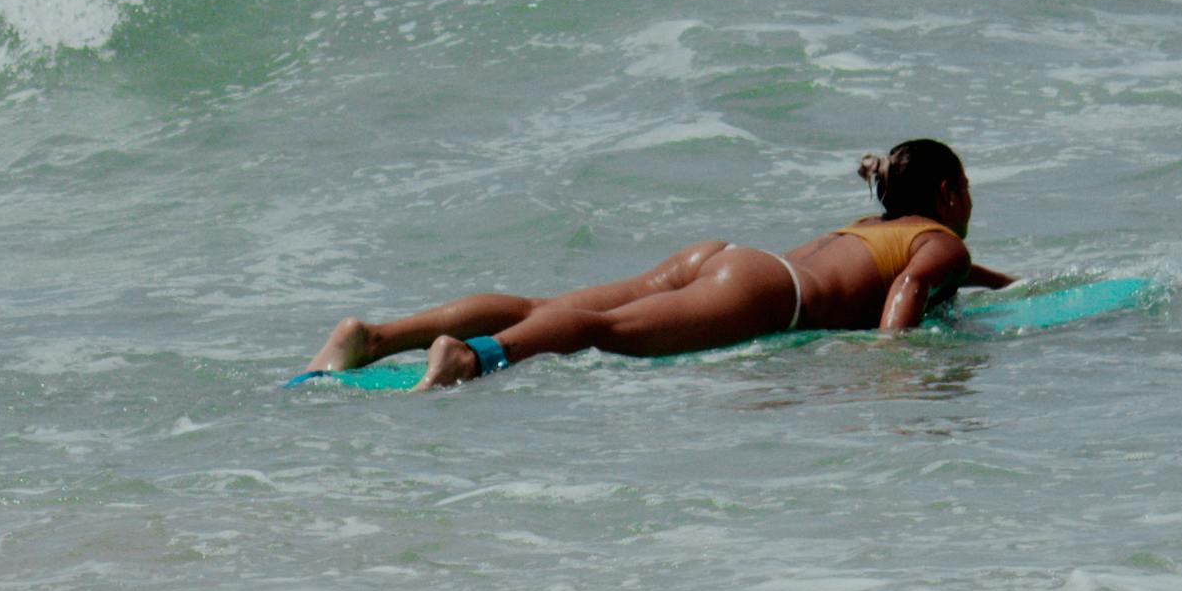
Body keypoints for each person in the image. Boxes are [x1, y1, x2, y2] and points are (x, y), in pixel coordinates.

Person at [305, 138, 1012, 389]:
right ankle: (473, 357)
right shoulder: (943, 241)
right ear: (949, 192)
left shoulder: (877, 225)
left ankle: (374, 337)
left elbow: (925, 272)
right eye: (968, 189)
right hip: (770, 294)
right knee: (603, 332)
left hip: (724, 260)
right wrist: (896, 366)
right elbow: (913, 288)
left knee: (550, 304)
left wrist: (1011, 287)